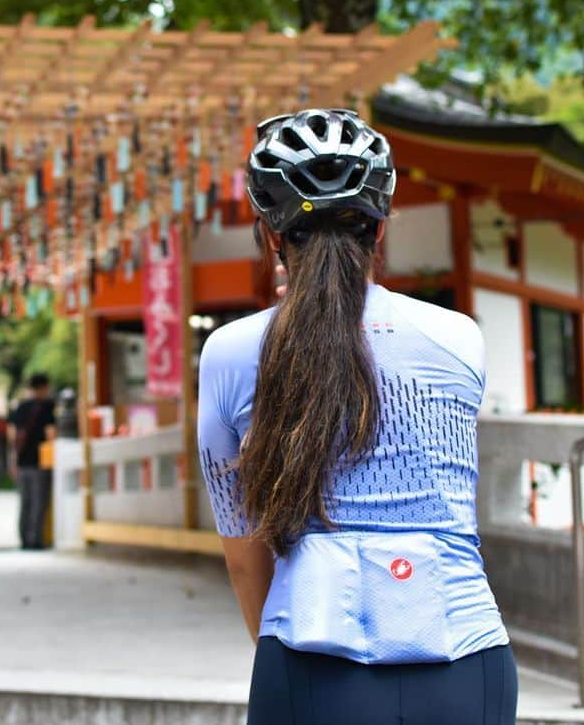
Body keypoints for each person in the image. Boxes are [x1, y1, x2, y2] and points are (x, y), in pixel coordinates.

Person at [198, 109, 516, 724]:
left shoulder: (232, 352)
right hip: (467, 654)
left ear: (271, 235)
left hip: (309, 656)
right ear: (379, 229)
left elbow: (243, 554)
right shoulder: (459, 337)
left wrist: (281, 655)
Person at [8, 373, 56, 549]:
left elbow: (12, 435)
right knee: (38, 502)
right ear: (44, 387)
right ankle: (35, 539)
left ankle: (23, 539)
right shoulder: (48, 406)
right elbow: (50, 434)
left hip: (22, 461)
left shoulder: (21, 406)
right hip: (39, 461)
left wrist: (13, 460)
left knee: (25, 502)